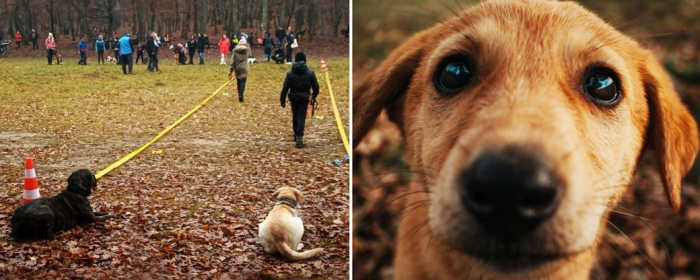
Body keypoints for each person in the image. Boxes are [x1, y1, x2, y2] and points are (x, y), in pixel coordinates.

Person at [279, 52, 319, 148]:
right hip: (304, 97)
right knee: (301, 117)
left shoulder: (290, 73)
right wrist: (314, 95)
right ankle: (299, 138)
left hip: (293, 97)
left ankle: (296, 134)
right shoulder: (310, 72)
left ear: (295, 60)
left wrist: (282, 99)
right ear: (305, 60)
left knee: (295, 116)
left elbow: (285, 87)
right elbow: (316, 86)